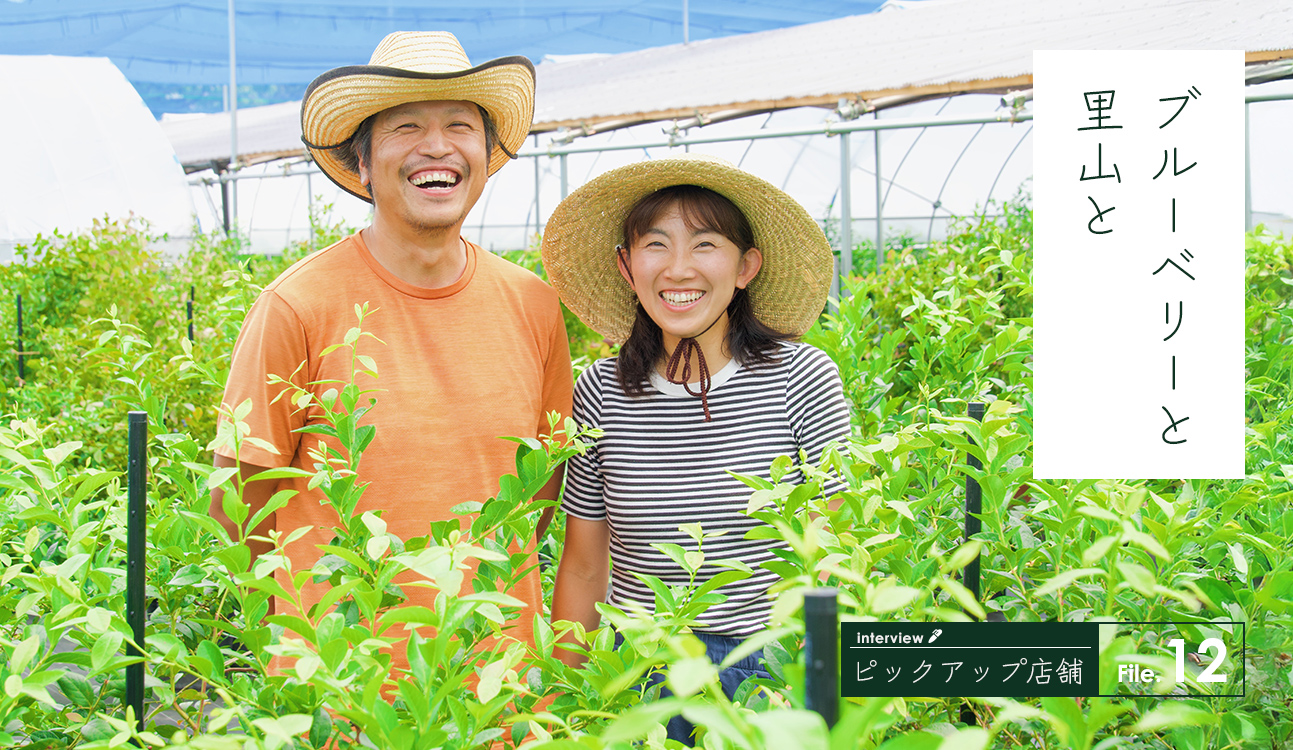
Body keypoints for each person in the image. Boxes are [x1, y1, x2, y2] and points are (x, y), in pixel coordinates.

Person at [210, 31, 573, 666]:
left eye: (460, 124)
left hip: (498, 690)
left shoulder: (533, 304)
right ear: (362, 163)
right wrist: (305, 639)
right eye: (405, 127)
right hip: (342, 692)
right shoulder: (298, 305)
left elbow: (540, 486)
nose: (437, 146)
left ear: (486, 156)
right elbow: (239, 499)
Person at [541, 154, 850, 745]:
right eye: (656, 245)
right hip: (637, 667)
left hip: (763, 668)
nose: (679, 268)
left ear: (746, 267)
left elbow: (830, 553)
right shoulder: (601, 392)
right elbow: (583, 565)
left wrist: (818, 699)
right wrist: (564, 701)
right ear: (628, 268)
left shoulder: (800, 377)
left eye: (705, 244)